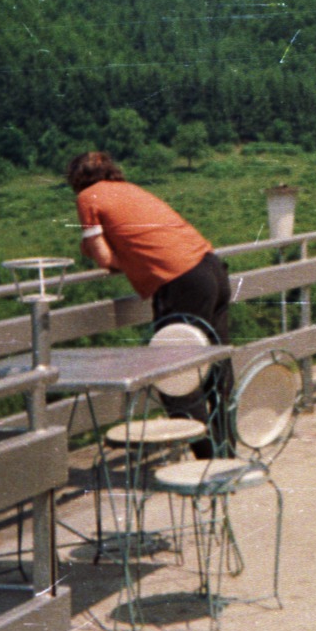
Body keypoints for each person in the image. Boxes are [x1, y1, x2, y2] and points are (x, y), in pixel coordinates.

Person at [67, 150, 233, 456]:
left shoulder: (87, 197)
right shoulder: (131, 190)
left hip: (180, 280)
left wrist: (115, 258)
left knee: (175, 379)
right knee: (216, 369)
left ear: (76, 180)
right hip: (212, 268)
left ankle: (208, 460)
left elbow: (103, 257)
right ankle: (227, 453)